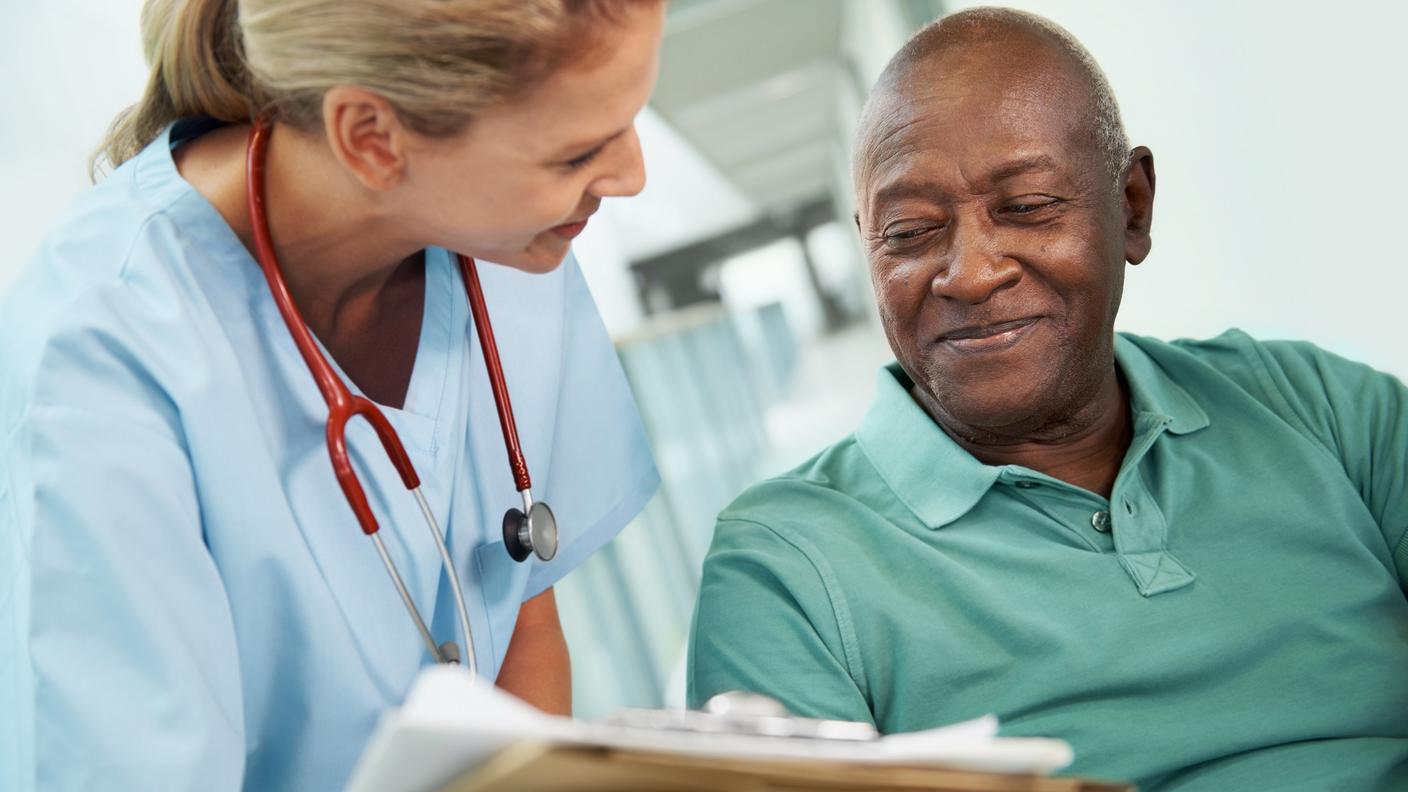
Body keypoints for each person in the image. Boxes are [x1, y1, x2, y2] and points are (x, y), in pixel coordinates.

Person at [688, 7, 1408, 790]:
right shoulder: (784, 568)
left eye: (1026, 208)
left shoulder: (1320, 407)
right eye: (909, 231)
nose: (968, 273)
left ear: (1131, 206)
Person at [0, 0, 665, 789]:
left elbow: (521, 614)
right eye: (576, 153)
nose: (631, 175)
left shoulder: (509, 247)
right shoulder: (102, 360)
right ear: (371, 138)